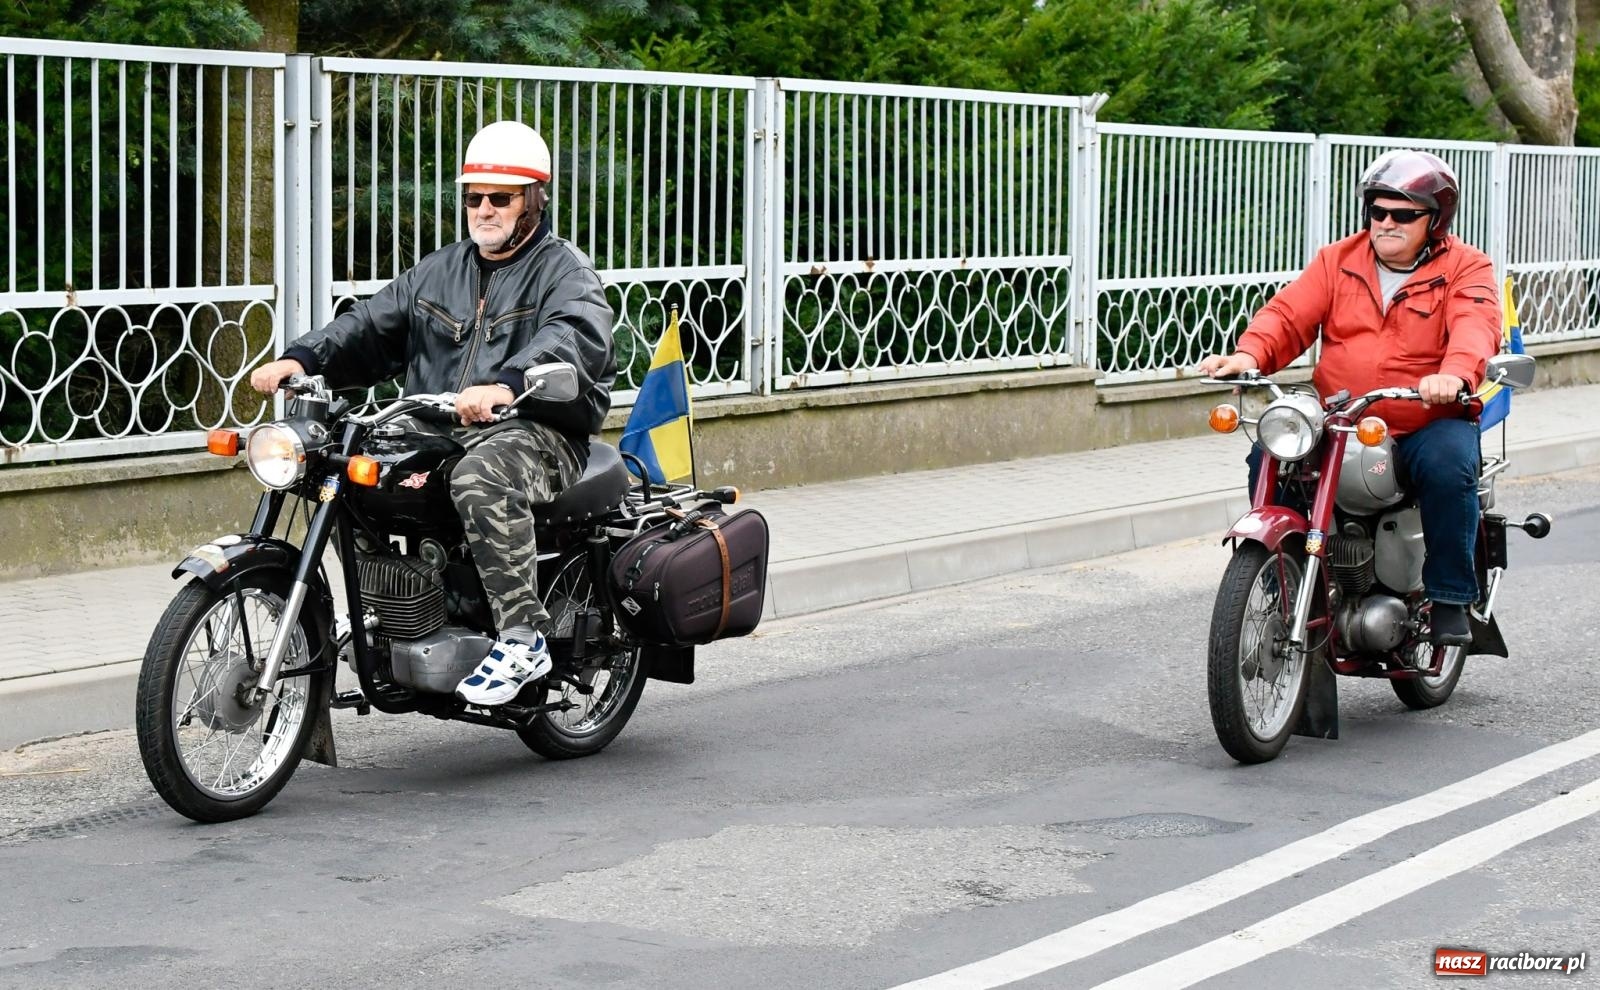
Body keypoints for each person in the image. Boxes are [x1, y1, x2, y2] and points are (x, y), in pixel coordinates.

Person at [250, 120, 616, 704]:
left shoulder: (564, 273)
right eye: (474, 197)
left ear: (533, 200)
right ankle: (386, 610)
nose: (485, 209)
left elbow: (574, 336)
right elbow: (370, 325)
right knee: (350, 467)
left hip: (537, 427)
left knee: (480, 475)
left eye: (501, 197)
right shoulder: (440, 270)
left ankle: (523, 637)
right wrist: (302, 358)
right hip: (438, 424)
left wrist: (508, 382)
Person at [1197, 149, 1501, 646]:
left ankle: (1450, 598)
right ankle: (1281, 578)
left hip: (1424, 417)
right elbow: (1288, 314)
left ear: (1436, 219)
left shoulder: (1466, 267)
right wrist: (1248, 355)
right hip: (1343, 415)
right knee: (1269, 452)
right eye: (1377, 211)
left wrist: (1454, 374)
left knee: (1449, 465)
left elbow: (1476, 324)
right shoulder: (1338, 259)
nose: (1386, 222)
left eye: (1403, 215)